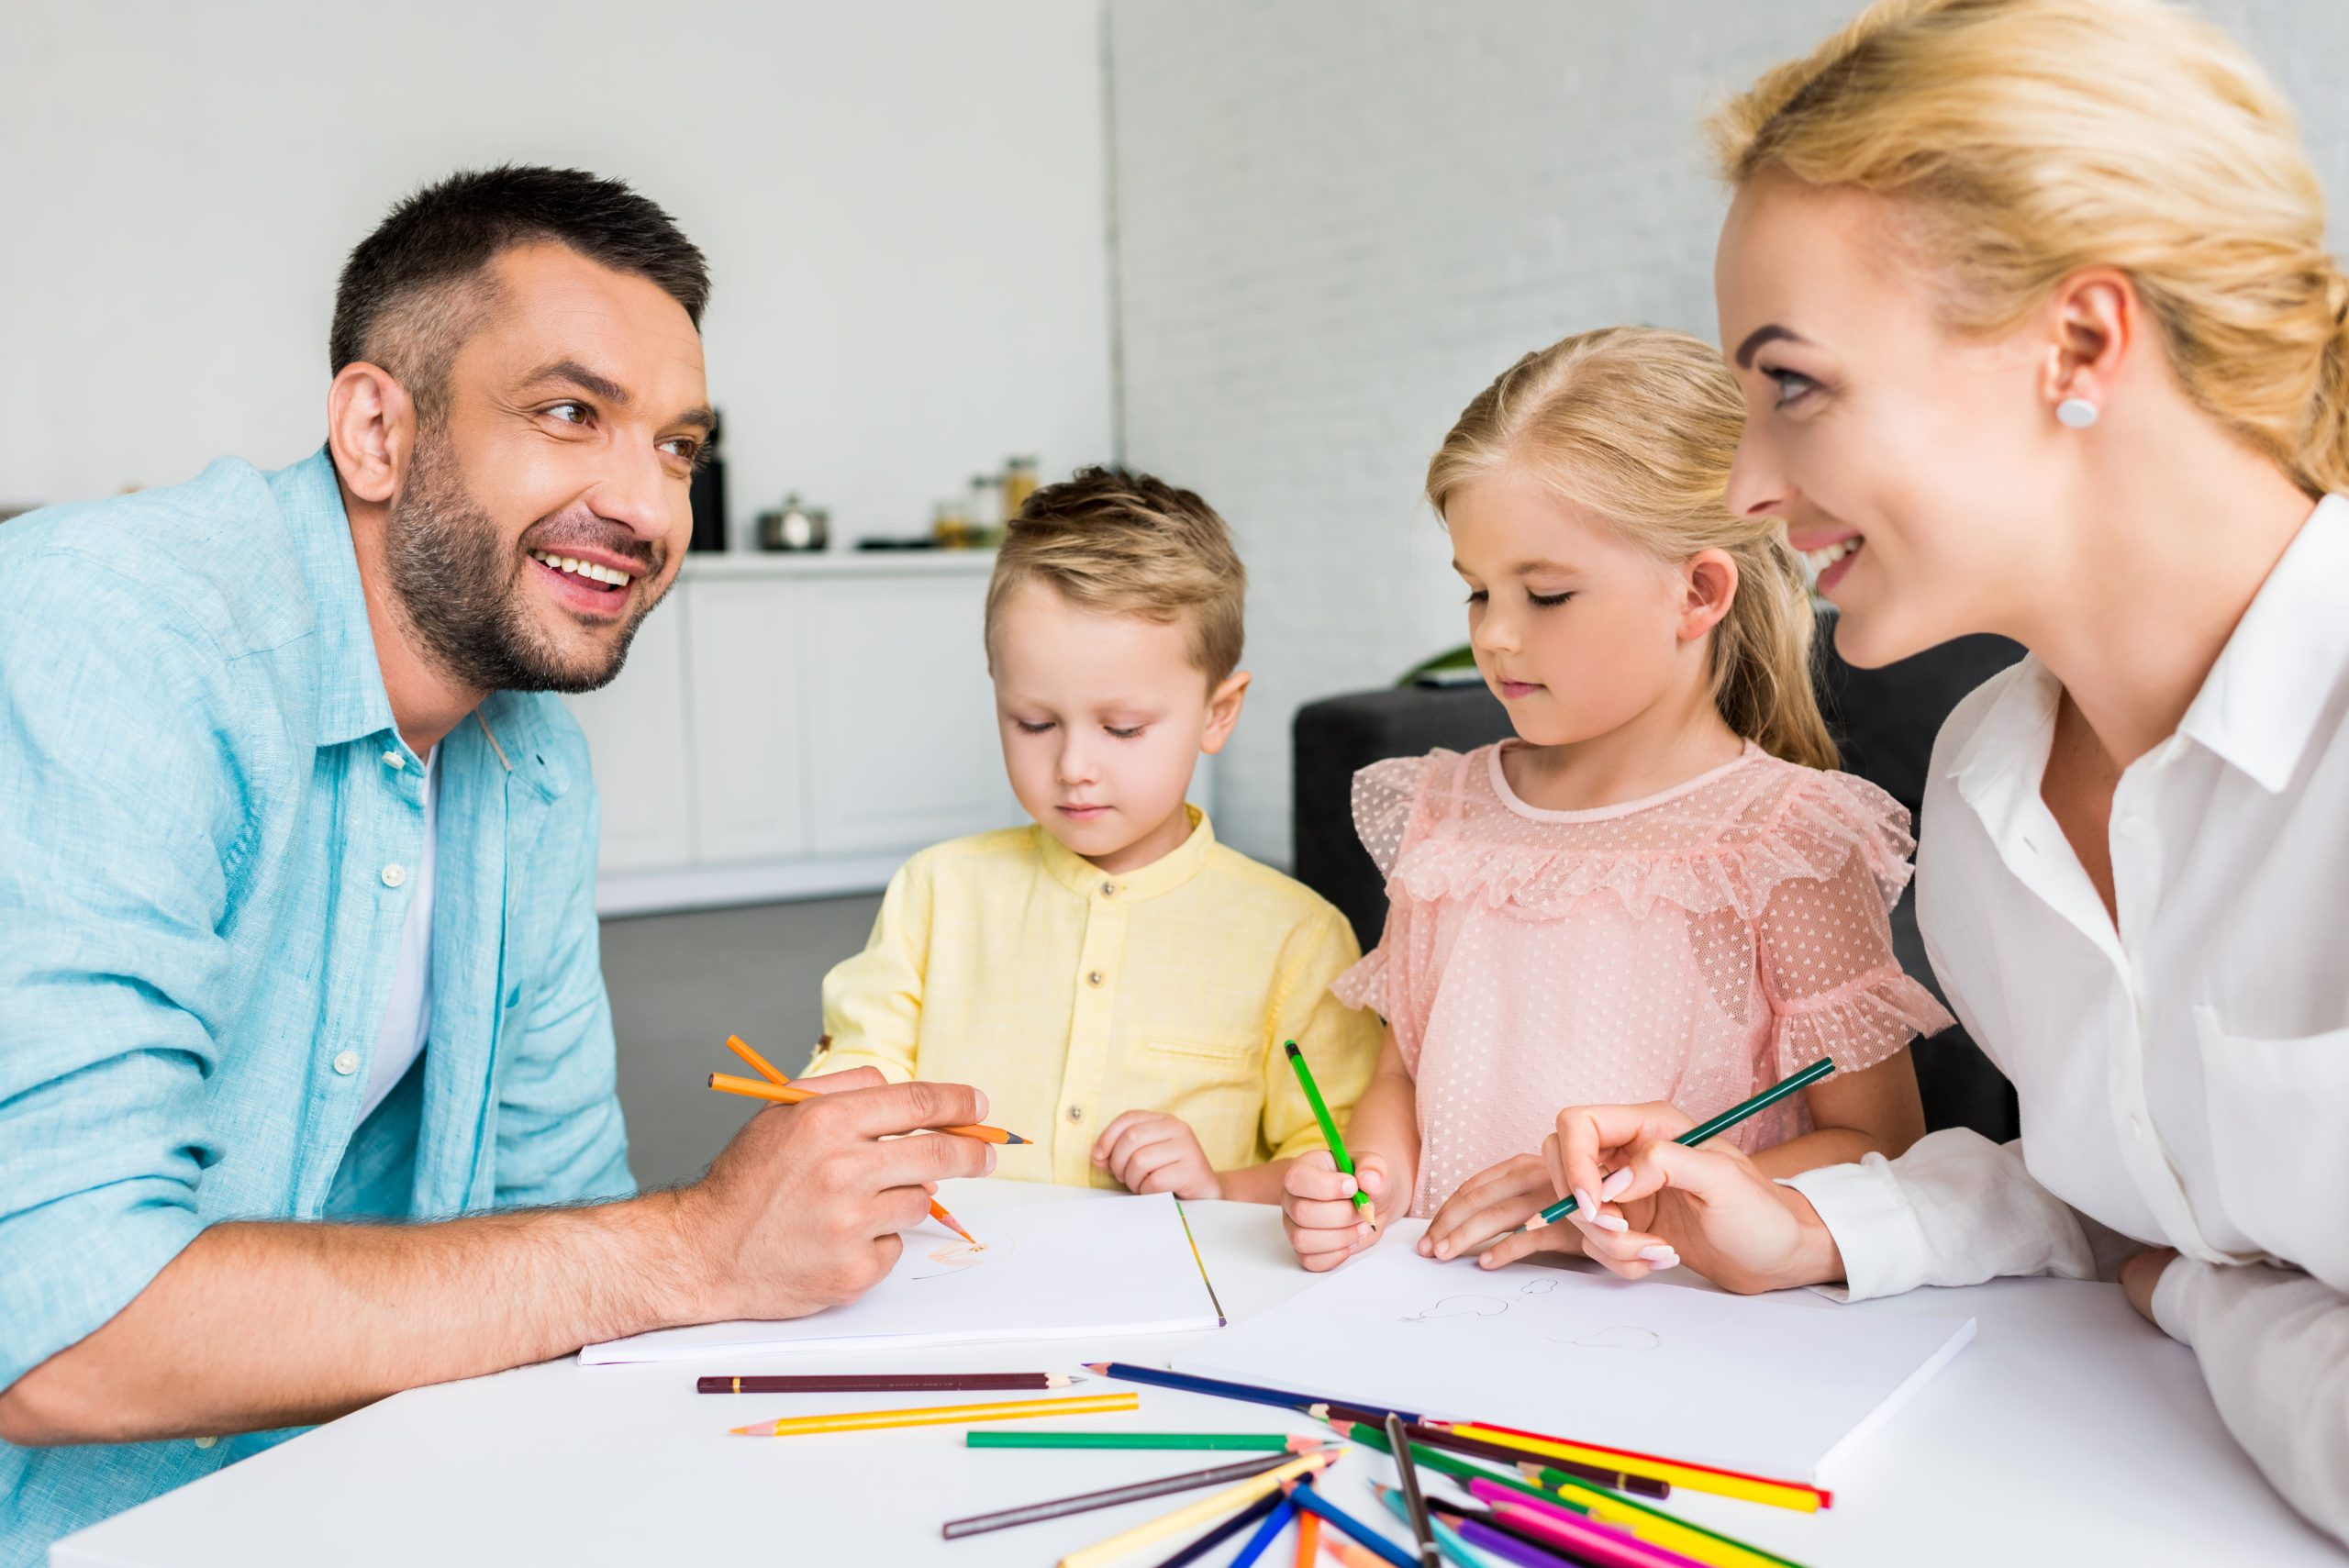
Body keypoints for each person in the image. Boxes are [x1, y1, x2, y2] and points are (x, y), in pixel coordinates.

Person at [0, 166, 990, 1561]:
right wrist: (697, 1247)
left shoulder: (528, 759)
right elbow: (59, 1330)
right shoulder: (108, 637)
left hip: (355, 1492)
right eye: (571, 414)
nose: (645, 510)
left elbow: (552, 1218)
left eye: (677, 449)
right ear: (375, 428)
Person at [1520, 0, 2349, 1543]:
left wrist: (2217, 1309)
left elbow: (2204, 1264)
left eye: (1795, 384)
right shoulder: (1982, 792)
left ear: (2081, 340)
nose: (1751, 488)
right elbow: (2157, 1200)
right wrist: (1809, 1225)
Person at [1279, 327, 1945, 1274]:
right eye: (1476, 593)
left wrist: (1654, 1197)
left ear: (1698, 592)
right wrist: (1369, 1178)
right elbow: (1400, 1070)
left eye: (1545, 595)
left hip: (1679, 1326)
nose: (1496, 637)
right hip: (1440, 1304)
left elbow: (1881, 1152)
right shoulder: (1445, 812)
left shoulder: (1784, 840)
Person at [808, 466, 1383, 1202]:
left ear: (1218, 711)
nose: (1074, 766)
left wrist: (1218, 1183)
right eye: (1035, 723)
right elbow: (861, 1068)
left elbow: (1336, 1161)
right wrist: (845, 1111)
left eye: (1122, 728)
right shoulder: (937, 892)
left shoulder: (1297, 938)